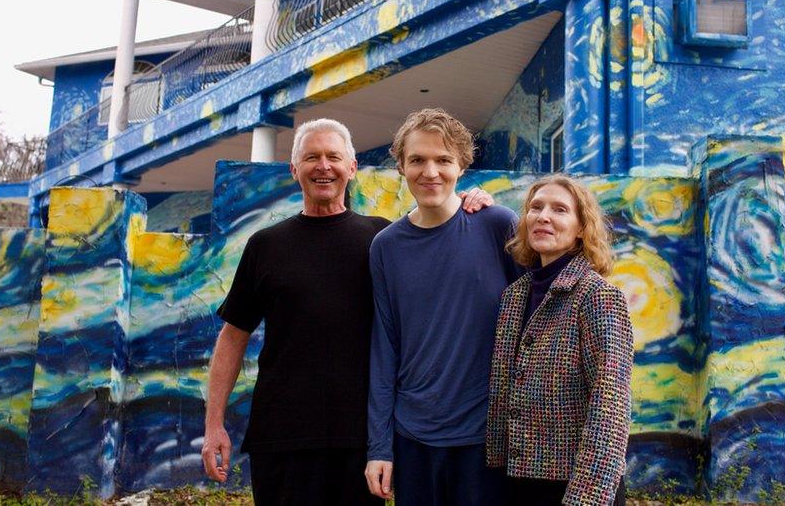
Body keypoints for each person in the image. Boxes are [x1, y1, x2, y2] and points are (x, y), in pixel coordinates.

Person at [201, 117, 491, 506]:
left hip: (361, 441)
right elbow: (233, 335)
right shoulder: (265, 246)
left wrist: (476, 201)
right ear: (294, 170)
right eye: (311, 158)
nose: (323, 166)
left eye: (334, 157)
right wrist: (213, 423)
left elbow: (442, 239)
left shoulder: (384, 240)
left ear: (352, 168)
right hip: (282, 437)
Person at [365, 108, 520, 506]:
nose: (430, 171)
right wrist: (379, 447)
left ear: (463, 165)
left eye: (443, 160)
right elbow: (385, 350)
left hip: (488, 437)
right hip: (412, 436)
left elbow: (535, 323)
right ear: (400, 165)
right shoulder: (385, 246)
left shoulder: (497, 225)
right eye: (417, 159)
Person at [486, 174, 633, 506]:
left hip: (575, 485)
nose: (543, 217)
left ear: (581, 227)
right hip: (517, 480)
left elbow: (610, 404)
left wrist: (587, 496)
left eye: (560, 210)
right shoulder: (515, 295)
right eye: (535, 207)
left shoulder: (598, 296)